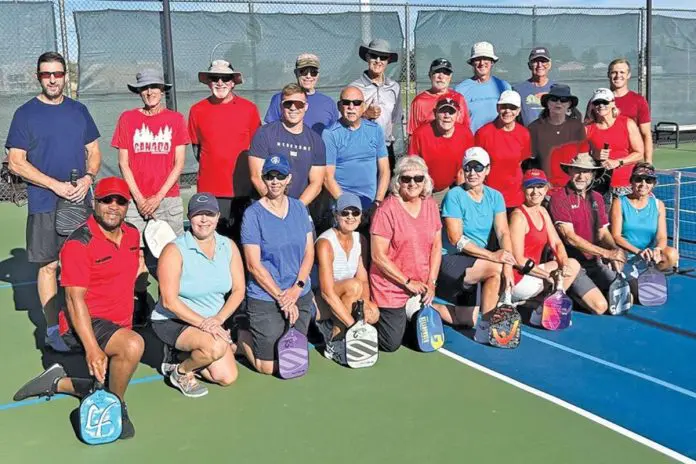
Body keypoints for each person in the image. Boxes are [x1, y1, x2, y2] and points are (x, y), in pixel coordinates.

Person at [13, 177, 144, 439]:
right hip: (80, 322)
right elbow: (74, 301)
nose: (113, 206)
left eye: (120, 201)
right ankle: (114, 407)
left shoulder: (132, 234)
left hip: (118, 321)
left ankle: (57, 382)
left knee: (112, 371)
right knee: (132, 345)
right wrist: (93, 349)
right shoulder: (78, 244)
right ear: (94, 203)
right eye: (107, 200)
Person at [6, 51, 101, 352]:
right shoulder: (25, 114)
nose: (52, 79)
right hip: (45, 204)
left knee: (84, 264)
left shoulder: (79, 110)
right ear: (39, 76)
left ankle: (89, 323)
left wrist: (87, 178)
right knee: (49, 267)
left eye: (57, 74)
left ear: (64, 76)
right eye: (46, 74)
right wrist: (55, 186)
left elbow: (94, 152)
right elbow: (15, 163)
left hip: (79, 202)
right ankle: (51, 331)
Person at [152, 193, 245, 397]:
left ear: (218, 216)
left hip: (212, 322)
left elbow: (239, 290)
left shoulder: (228, 246)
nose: (204, 220)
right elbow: (169, 301)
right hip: (174, 320)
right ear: (189, 217)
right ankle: (181, 372)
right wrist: (206, 324)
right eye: (198, 214)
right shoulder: (174, 250)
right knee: (216, 347)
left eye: (209, 214)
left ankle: (179, 355)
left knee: (227, 377)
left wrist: (218, 320)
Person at [113, 68, 189, 304]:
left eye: (154, 87)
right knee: (135, 256)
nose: (150, 92)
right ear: (139, 92)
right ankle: (140, 302)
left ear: (162, 90)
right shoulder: (127, 119)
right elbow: (123, 163)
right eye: (145, 88)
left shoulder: (176, 120)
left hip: (167, 200)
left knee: (171, 257)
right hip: (135, 202)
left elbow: (179, 164)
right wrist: (139, 198)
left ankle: (170, 303)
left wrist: (156, 197)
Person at [238, 155, 315, 375]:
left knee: (294, 360)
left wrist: (297, 288)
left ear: (288, 178)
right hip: (265, 296)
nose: (275, 181)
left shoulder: (300, 208)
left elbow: (309, 253)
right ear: (263, 178)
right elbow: (253, 265)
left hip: (298, 294)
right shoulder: (252, 215)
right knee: (271, 367)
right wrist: (282, 297)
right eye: (270, 176)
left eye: (280, 176)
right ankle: (242, 338)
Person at [437, 147, 516, 344]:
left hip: (477, 260)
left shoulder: (495, 197)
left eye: (478, 167)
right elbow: (456, 239)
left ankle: (419, 307)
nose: (472, 173)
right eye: (468, 168)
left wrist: (508, 265)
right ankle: (486, 329)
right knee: (494, 269)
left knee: (465, 319)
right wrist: (495, 258)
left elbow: (503, 232)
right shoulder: (454, 195)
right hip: (451, 260)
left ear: (487, 169)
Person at [370, 156, 442, 352]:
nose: (412, 183)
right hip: (392, 286)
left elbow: (436, 246)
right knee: (390, 344)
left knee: (419, 341)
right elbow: (378, 256)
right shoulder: (387, 210)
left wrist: (432, 283)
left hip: (421, 285)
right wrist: (407, 282)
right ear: (397, 181)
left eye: (418, 178)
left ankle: (407, 316)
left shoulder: (430, 205)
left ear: (425, 181)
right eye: (406, 179)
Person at [189, 60, 261, 240]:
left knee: (244, 243)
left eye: (225, 78)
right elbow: (197, 149)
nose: (220, 82)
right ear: (208, 81)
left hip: (243, 192)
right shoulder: (197, 110)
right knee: (212, 244)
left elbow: (257, 150)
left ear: (233, 82)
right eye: (215, 77)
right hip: (210, 192)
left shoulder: (249, 109)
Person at [549, 153, 626, 314]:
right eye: (577, 170)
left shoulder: (597, 198)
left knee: (627, 299)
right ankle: (569, 291)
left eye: (586, 171)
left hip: (596, 263)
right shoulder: (559, 198)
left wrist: (615, 251)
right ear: (569, 171)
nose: (581, 176)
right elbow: (570, 238)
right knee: (601, 307)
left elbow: (603, 232)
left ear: (592, 175)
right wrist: (606, 253)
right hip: (573, 265)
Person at [509, 169, 580, 325]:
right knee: (560, 273)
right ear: (523, 189)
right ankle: (540, 312)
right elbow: (518, 260)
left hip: (533, 275)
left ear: (546, 188)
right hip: (518, 280)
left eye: (540, 186)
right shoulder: (518, 217)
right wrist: (549, 276)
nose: (535, 191)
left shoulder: (542, 211)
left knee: (573, 265)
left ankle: (541, 307)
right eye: (530, 187)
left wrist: (564, 265)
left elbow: (556, 243)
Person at [315, 193, 379, 363]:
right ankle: (334, 342)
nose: (350, 217)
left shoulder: (361, 240)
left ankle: (334, 329)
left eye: (355, 213)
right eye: (345, 213)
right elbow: (327, 293)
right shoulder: (325, 243)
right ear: (336, 215)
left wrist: (363, 310)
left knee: (374, 314)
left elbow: (363, 280)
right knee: (353, 286)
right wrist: (355, 326)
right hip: (317, 301)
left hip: (346, 296)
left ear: (361, 217)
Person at [249, 83, 325, 207]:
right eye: (288, 104)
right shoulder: (264, 133)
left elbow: (316, 183)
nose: (293, 108)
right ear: (281, 106)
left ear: (306, 106)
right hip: (265, 207)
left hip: (299, 209)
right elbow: (256, 177)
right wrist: (275, 206)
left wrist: (295, 209)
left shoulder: (316, 140)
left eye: (299, 104)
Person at [322, 86, 390, 213]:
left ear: (363, 107)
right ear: (339, 106)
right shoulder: (330, 134)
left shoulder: (375, 130)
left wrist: (378, 202)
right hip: (343, 204)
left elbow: (385, 170)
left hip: (371, 203)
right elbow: (327, 177)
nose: (351, 107)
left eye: (357, 103)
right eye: (346, 102)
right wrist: (348, 206)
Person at [610, 163, 679, 278]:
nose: (643, 184)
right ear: (631, 181)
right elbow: (616, 236)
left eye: (648, 180)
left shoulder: (658, 205)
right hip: (626, 253)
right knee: (633, 293)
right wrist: (638, 252)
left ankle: (652, 274)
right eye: (638, 179)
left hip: (648, 253)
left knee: (672, 254)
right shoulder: (619, 202)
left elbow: (662, 237)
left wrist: (658, 249)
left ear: (653, 184)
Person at [408, 97, 474, 205]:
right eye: (443, 111)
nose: (447, 116)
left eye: (451, 112)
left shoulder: (465, 133)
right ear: (435, 113)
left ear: (457, 115)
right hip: (424, 188)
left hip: (452, 187)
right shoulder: (420, 134)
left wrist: (462, 194)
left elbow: (465, 167)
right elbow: (412, 165)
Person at [586, 88, 644, 204]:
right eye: (597, 102)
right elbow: (581, 156)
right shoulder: (587, 129)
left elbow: (639, 154)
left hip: (626, 186)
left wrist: (618, 162)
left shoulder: (627, 123)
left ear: (612, 103)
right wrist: (594, 155)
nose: (601, 105)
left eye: (605, 102)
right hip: (598, 187)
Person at [474, 90, 531, 209]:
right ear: (497, 108)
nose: (508, 111)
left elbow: (521, 163)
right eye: (504, 107)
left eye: (513, 108)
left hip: (515, 196)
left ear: (519, 111)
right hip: (488, 196)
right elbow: (476, 165)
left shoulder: (524, 133)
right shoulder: (483, 133)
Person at [351, 39, 402, 171]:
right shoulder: (355, 87)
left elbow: (395, 119)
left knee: (386, 187)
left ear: (388, 60)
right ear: (367, 57)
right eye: (374, 56)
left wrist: (392, 143)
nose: (378, 60)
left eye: (383, 57)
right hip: (361, 147)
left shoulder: (394, 87)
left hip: (385, 147)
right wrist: (365, 114)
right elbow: (344, 121)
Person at [264, 54, 339, 135]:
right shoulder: (280, 98)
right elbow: (270, 131)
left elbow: (334, 133)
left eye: (313, 72)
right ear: (296, 73)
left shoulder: (328, 103)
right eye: (303, 71)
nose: (308, 76)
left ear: (318, 75)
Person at [528, 84, 585, 179]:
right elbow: (530, 162)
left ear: (569, 104)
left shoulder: (577, 127)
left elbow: (583, 159)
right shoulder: (534, 128)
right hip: (544, 186)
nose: (558, 102)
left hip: (571, 185)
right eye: (554, 99)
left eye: (563, 100)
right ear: (547, 103)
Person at [454, 41, 511, 134]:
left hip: (499, 141)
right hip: (472, 143)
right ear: (472, 63)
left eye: (486, 59)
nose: (482, 63)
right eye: (477, 59)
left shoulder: (504, 87)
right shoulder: (460, 90)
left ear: (492, 62)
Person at [407, 58, 470, 135]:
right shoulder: (419, 101)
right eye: (437, 72)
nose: (441, 76)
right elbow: (412, 134)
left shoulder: (459, 98)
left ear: (450, 77)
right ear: (430, 75)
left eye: (445, 72)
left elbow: (466, 129)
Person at [608, 59, 653, 163]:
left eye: (622, 72)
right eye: (614, 72)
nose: (618, 75)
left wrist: (648, 162)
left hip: (631, 161)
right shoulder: (598, 101)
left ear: (628, 75)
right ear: (608, 75)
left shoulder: (638, 100)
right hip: (604, 161)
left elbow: (646, 134)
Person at [513, 47, 555, 126]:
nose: (539, 65)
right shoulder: (518, 90)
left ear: (549, 65)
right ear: (529, 65)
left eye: (543, 61)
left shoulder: (557, 89)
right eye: (535, 61)